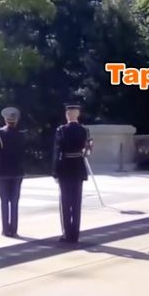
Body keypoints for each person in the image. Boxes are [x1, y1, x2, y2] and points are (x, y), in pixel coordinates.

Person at [52, 102, 93, 243]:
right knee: (76, 202)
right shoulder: (84, 130)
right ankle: (75, 234)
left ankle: (67, 233)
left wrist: (55, 172)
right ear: (78, 114)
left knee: (65, 202)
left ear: (67, 114)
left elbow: (57, 152)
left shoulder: (61, 130)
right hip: (78, 167)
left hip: (65, 168)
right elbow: (87, 152)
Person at [0, 106, 26, 237]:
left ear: (5, 120)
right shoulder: (22, 134)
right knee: (15, 201)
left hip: (3, 171)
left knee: (4, 201)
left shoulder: (0, 133)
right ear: (16, 120)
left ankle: (6, 229)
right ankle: (14, 229)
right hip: (17, 171)